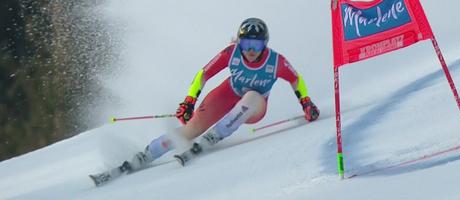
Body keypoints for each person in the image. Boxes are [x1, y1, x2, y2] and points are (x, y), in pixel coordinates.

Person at [121, 18, 320, 172]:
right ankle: (148, 153)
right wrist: (189, 101)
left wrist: (306, 103)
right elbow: (203, 74)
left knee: (251, 96)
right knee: (191, 129)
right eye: (246, 44)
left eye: (256, 45)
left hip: (255, 107)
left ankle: (216, 134)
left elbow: (296, 79)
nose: (250, 50)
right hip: (227, 95)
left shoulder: (276, 61)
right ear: (239, 43)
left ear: (265, 45)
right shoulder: (231, 53)